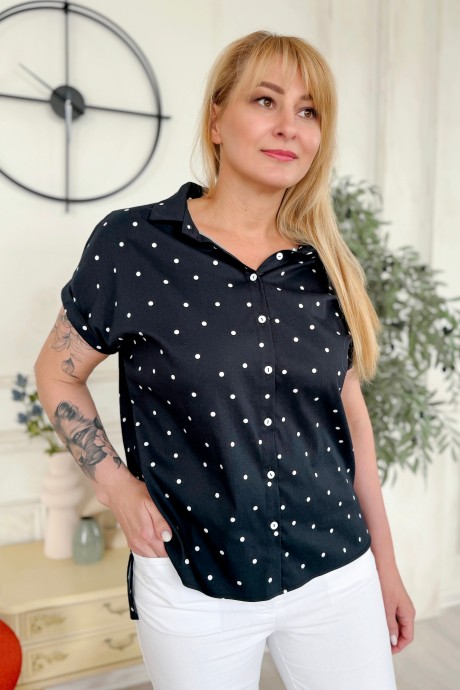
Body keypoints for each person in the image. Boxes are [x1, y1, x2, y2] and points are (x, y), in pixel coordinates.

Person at [35, 30, 415, 690]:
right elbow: (57, 371)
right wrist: (115, 486)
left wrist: (386, 565)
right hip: (192, 578)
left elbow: (352, 425)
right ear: (216, 120)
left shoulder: (327, 267)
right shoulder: (133, 245)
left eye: (308, 110)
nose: (288, 125)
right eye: (266, 100)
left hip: (336, 571)